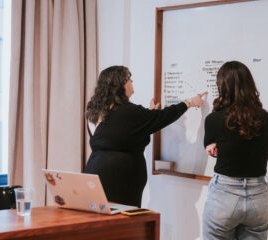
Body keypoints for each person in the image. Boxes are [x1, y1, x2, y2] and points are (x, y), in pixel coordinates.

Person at [84, 65, 206, 207]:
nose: (132, 82)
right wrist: (189, 102)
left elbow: (123, 132)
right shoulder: (128, 112)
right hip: (119, 180)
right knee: (122, 224)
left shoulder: (95, 111)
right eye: (128, 79)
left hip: (94, 173)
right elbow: (163, 117)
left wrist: (148, 114)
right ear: (120, 85)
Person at [202, 61, 268, 240]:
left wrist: (214, 146)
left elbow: (211, 147)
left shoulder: (214, 119)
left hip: (224, 195)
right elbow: (262, 152)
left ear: (222, 87)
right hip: (258, 197)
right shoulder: (264, 118)